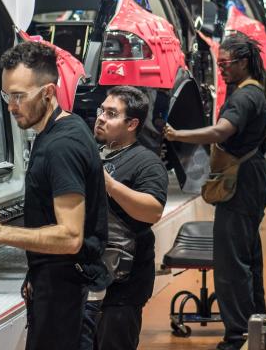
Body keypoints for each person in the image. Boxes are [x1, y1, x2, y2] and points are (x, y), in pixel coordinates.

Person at [0, 41, 109, 350]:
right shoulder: (62, 129)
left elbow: (71, 237)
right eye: (8, 95)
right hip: (58, 284)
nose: (11, 106)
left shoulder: (62, 146)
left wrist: (0, 232)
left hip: (68, 294)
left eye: (20, 96)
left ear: (48, 92)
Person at [165, 32, 266, 350]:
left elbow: (221, 131)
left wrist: (177, 134)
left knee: (230, 264)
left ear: (243, 62)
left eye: (226, 63)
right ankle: (255, 326)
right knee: (247, 257)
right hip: (250, 180)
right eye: (219, 62)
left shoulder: (244, 98)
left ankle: (237, 335)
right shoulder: (252, 91)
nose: (221, 68)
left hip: (242, 184)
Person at [84, 86, 168, 350]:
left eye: (111, 113)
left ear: (132, 123)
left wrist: (109, 184)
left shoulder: (146, 162)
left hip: (123, 286)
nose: (100, 117)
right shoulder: (93, 152)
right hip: (88, 276)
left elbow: (153, 210)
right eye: (101, 110)